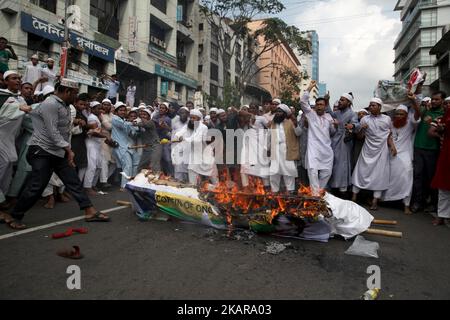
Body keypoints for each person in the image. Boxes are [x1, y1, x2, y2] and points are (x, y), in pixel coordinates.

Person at [1, 78, 110, 229]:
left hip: (57, 151)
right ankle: (15, 215)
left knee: (72, 181)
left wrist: (73, 140)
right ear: (67, 91)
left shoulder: (63, 106)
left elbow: (60, 128)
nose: (76, 97)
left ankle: (89, 211)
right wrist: (68, 149)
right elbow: (52, 131)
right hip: (41, 150)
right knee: (37, 185)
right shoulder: (51, 104)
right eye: (75, 94)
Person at [352, 98, 395, 210]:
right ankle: (354, 198)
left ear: (380, 107)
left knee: (379, 175)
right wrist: (362, 129)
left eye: (373, 105)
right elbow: (359, 137)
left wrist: (392, 146)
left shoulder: (387, 119)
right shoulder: (364, 119)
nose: (371, 107)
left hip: (382, 151)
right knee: (360, 172)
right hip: (367, 150)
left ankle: (375, 201)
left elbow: (389, 135)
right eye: (370, 105)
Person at [382, 93, 421, 214]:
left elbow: (418, 114)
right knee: (389, 178)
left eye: (401, 114)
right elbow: (389, 136)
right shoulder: (391, 123)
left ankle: (406, 205)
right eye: (397, 113)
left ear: (406, 115)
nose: (399, 116)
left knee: (406, 178)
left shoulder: (410, 123)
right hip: (391, 155)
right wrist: (392, 146)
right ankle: (385, 199)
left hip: (405, 156)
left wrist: (413, 101)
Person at [411, 91, 447, 213]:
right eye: (433, 99)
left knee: (431, 177)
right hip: (418, 147)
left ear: (442, 100)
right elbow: (417, 111)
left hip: (433, 150)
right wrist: (413, 99)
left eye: (437, 99)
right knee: (418, 176)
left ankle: (432, 203)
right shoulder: (426, 110)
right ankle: (417, 202)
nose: (434, 101)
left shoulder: (444, 114)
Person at [0, 71, 31, 211]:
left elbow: (26, 119)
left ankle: (4, 197)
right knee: (3, 165)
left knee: (9, 165)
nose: (18, 80)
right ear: (6, 82)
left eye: (19, 78)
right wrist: (18, 108)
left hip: (11, 139)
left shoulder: (20, 99)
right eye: (14, 78)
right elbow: (4, 112)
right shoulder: (2, 96)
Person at [300, 81, 337, 196]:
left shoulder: (329, 117)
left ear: (325, 106)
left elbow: (332, 133)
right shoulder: (311, 114)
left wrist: (334, 126)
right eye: (318, 105)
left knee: (327, 173)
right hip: (313, 149)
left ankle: (318, 193)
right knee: (313, 172)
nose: (319, 106)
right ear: (315, 106)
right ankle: (315, 197)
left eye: (322, 105)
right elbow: (302, 101)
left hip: (326, 150)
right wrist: (310, 87)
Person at [175, 109, 218, 186]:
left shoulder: (203, 127)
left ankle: (219, 192)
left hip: (205, 155)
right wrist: (178, 137)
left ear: (199, 118)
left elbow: (197, 140)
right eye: (191, 117)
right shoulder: (189, 125)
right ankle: (193, 192)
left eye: (193, 118)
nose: (191, 119)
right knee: (192, 179)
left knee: (214, 179)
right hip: (194, 156)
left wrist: (184, 139)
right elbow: (179, 133)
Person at [328, 92, 360, 196]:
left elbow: (357, 124)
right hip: (334, 141)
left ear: (349, 102)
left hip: (344, 143)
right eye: (340, 99)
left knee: (342, 166)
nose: (340, 102)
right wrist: (327, 101)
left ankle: (343, 190)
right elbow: (330, 113)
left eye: (342, 100)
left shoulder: (352, 113)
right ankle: (333, 188)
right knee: (333, 164)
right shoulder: (337, 113)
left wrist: (352, 125)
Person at [268, 104, 301, 194]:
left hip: (286, 150)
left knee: (288, 172)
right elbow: (269, 136)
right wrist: (267, 148)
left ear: (284, 113)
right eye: (277, 112)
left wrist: (296, 124)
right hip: (275, 150)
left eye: (280, 112)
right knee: (274, 172)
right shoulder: (273, 123)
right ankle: (274, 191)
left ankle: (290, 191)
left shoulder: (290, 122)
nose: (278, 114)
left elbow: (298, 133)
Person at [84, 101, 112, 196]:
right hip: (91, 144)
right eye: (98, 108)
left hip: (97, 144)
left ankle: (92, 185)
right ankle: (87, 187)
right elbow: (94, 132)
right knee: (92, 166)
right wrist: (106, 136)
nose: (100, 110)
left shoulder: (97, 117)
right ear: (92, 109)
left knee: (99, 166)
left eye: (100, 108)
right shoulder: (92, 117)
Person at [240, 102, 271, 190]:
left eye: (254, 108)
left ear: (258, 109)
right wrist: (250, 115)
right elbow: (238, 111)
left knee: (262, 166)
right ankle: (246, 188)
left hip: (259, 146)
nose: (252, 109)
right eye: (250, 108)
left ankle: (266, 188)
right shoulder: (246, 117)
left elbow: (269, 126)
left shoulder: (261, 118)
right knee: (245, 166)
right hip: (248, 146)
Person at [112, 102, 140, 190]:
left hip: (129, 146)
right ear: (116, 112)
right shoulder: (115, 119)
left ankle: (133, 184)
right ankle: (124, 186)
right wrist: (135, 123)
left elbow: (133, 132)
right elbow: (125, 125)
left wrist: (137, 128)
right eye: (120, 110)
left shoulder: (124, 120)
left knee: (135, 163)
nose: (123, 112)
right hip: (121, 146)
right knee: (127, 165)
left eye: (124, 110)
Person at [429, 105, 450, 226]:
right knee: (443, 187)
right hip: (447, 153)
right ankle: (442, 215)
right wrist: (441, 128)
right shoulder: (447, 114)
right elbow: (439, 130)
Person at [136, 108, 162, 173]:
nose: (142, 116)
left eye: (145, 115)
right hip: (147, 147)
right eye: (141, 114)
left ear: (149, 116)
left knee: (154, 166)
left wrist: (136, 123)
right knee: (141, 166)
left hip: (155, 146)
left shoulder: (151, 122)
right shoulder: (140, 123)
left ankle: (156, 181)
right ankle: (141, 181)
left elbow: (145, 125)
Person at [152, 102, 173, 176]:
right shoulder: (155, 117)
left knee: (167, 159)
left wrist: (164, 127)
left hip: (165, 141)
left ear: (166, 110)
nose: (161, 109)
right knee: (158, 160)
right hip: (157, 141)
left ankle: (171, 174)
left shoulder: (168, 119)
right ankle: (161, 175)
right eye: (160, 107)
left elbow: (170, 130)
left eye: (163, 108)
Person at [99, 99, 116, 189]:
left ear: (110, 106)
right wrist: (116, 126)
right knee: (105, 161)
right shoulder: (100, 114)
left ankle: (105, 178)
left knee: (114, 161)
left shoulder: (112, 115)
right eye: (104, 104)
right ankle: (103, 182)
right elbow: (108, 127)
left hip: (112, 140)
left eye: (108, 105)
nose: (106, 106)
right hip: (103, 140)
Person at [171, 107, 190, 182]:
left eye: (184, 113)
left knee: (188, 171)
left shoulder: (191, 123)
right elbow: (173, 139)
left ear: (188, 114)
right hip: (177, 150)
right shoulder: (176, 124)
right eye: (181, 113)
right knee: (178, 170)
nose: (182, 115)